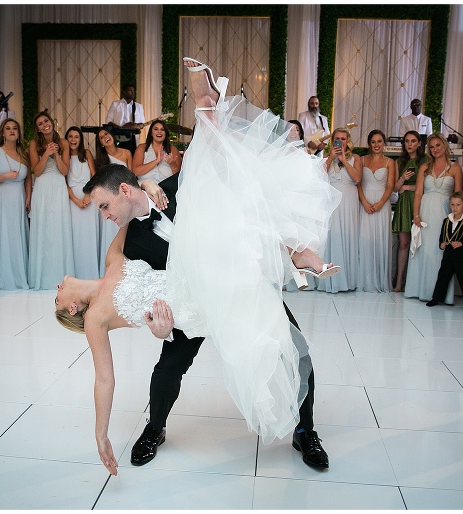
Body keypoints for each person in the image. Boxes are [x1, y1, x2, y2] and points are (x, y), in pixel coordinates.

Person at [81, 58, 341, 475]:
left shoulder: (177, 185)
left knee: (294, 349)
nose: (106, 215)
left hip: (239, 285)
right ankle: (155, 428)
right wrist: (158, 325)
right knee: (169, 366)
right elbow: (141, 286)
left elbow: (233, 192)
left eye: (106, 206)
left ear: (125, 189)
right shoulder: (130, 241)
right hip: (192, 299)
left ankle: (306, 431)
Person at [404, 133, 463, 303]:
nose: (435, 149)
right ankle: (421, 289)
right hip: (425, 211)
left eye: (438, 145)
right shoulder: (425, 167)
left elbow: (458, 194)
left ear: (444, 145)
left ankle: (440, 293)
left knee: (441, 250)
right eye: (431, 146)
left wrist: (456, 218)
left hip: (445, 212)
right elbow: (418, 193)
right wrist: (416, 214)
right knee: (425, 249)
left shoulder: (455, 168)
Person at [28, 111, 75, 290]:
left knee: (58, 228)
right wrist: (46, 153)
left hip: (58, 186)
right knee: (43, 228)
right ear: (37, 128)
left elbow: (64, 171)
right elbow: (37, 171)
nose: (44, 125)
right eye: (40, 124)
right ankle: (41, 277)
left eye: (46, 121)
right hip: (42, 187)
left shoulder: (63, 143)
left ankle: (60, 276)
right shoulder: (34, 144)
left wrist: (56, 155)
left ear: (52, 121)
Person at [0, 119, 32, 290]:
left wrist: (28, 196)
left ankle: (18, 275)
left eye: (15, 128)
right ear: (3, 133)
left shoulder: (23, 153)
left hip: (18, 198)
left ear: (19, 133)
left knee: (15, 235)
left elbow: (28, 178)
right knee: (0, 235)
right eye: (8, 128)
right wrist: (5, 176)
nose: (12, 131)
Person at [317, 128, 361, 293]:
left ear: (347, 140)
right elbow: (319, 177)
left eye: (343, 138)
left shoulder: (355, 158)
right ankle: (330, 279)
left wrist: (344, 159)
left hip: (349, 200)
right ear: (332, 140)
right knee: (332, 236)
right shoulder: (325, 157)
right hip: (331, 200)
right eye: (337, 138)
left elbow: (357, 178)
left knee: (347, 235)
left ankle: (347, 280)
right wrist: (332, 158)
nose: (340, 141)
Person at [357, 130, 395, 292]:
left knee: (379, 239)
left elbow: (390, 185)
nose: (376, 145)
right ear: (369, 143)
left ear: (384, 143)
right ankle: (362, 279)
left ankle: (379, 280)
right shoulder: (362, 159)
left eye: (379, 141)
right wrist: (364, 202)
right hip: (364, 201)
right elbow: (358, 183)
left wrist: (380, 203)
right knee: (363, 239)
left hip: (382, 202)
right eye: (373, 142)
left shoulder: (390, 162)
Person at [426, 192, 463, 313]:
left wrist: (461, 243)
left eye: (458, 205)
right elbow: (442, 235)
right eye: (452, 204)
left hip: (461, 255)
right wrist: (442, 243)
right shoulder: (446, 220)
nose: (455, 207)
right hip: (448, 254)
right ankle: (436, 298)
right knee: (443, 276)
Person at [94, 127, 133, 277]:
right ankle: (109, 272)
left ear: (112, 135)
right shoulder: (101, 159)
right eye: (101, 137)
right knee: (110, 233)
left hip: (125, 195)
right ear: (101, 143)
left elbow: (131, 175)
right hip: (109, 198)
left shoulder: (127, 153)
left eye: (106, 134)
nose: (105, 137)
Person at [392, 130, 427, 291]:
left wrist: (407, 187)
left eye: (413, 141)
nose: (410, 144)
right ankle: (399, 281)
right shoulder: (399, 162)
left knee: (419, 243)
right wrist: (403, 179)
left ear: (419, 143)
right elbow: (395, 188)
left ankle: (416, 283)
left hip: (420, 202)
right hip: (404, 203)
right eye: (407, 141)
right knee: (404, 243)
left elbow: (427, 186)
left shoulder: (426, 161)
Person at [65, 126, 99, 280]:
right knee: (75, 236)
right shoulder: (63, 157)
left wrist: (88, 195)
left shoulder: (86, 154)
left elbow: (94, 174)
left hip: (89, 199)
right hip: (72, 202)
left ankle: (90, 273)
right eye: (70, 137)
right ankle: (75, 274)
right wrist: (75, 200)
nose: (73, 140)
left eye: (76, 137)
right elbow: (63, 181)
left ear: (81, 139)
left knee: (88, 235)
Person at [132, 120, 181, 185]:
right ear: (151, 133)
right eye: (156, 129)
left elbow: (179, 177)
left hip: (168, 190)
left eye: (162, 129)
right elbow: (135, 171)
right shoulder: (142, 148)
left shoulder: (173, 149)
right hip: (146, 189)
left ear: (165, 133)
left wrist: (172, 164)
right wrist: (156, 161)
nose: (159, 132)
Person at [105, 84, 145, 154]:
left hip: (132, 137)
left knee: (131, 156)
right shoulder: (115, 104)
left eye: (133, 91)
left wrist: (134, 125)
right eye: (130, 90)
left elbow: (142, 124)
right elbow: (108, 121)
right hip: (118, 137)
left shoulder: (138, 106)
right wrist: (121, 128)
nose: (132, 93)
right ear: (124, 92)